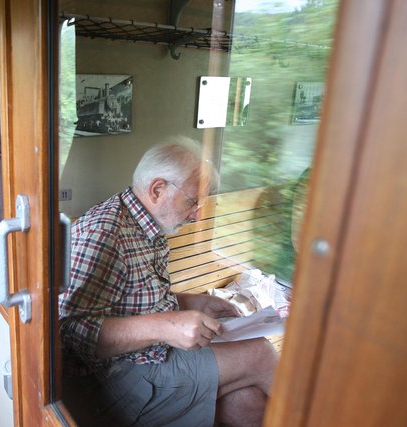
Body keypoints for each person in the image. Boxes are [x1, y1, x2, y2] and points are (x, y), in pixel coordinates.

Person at [59, 140, 278, 427]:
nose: (198, 214)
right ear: (157, 189)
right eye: (192, 201)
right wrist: (167, 326)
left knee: (247, 400)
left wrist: (190, 302)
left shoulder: (146, 223)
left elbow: (131, 299)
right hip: (118, 380)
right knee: (261, 354)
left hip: (148, 360)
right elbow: (65, 331)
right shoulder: (103, 233)